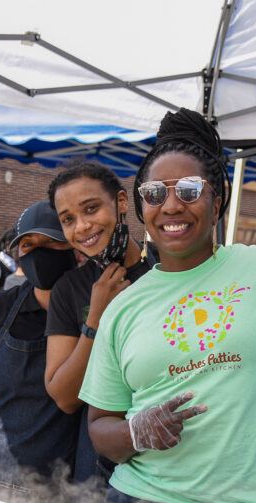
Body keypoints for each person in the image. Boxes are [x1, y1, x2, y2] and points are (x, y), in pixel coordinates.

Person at [78, 109, 256, 503]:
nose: (172, 205)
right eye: (155, 193)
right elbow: (100, 429)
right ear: (142, 207)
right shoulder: (122, 307)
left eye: (190, 191)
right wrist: (136, 432)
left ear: (216, 203)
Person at [0, 200, 81, 503]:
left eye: (51, 241)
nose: (38, 252)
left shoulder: (94, 310)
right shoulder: (1, 306)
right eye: (28, 244)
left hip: (60, 481)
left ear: (74, 247)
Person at [45, 160, 155, 483]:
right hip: (98, 465)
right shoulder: (69, 290)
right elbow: (64, 397)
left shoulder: (165, 270)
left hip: (170, 455)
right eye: (68, 219)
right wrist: (96, 317)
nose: (82, 226)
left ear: (121, 203)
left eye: (91, 209)